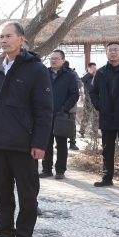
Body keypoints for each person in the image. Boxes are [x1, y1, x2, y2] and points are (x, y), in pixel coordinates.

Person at [0, 21, 52, 237]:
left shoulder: (36, 69)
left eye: (8, 36)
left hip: (24, 143)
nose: (4, 40)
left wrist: (39, 143)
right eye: (1, 36)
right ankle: (6, 234)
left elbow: (44, 110)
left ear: (21, 40)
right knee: (2, 193)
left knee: (27, 195)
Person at [89, 42, 119, 191]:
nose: (113, 52)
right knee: (107, 149)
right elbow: (93, 91)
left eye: (116, 49)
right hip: (106, 115)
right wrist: (99, 105)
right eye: (110, 50)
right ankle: (107, 177)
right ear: (106, 53)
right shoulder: (101, 72)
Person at [40, 50, 80, 179]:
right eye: (52, 58)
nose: (53, 60)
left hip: (61, 115)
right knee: (46, 143)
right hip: (46, 113)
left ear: (63, 60)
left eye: (56, 58)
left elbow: (75, 94)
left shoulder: (70, 75)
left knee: (61, 144)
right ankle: (46, 169)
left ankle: (60, 170)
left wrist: (64, 108)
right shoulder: (44, 73)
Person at [79, 63, 98, 137]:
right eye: (93, 68)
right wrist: (89, 73)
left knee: (96, 116)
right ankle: (82, 131)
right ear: (88, 68)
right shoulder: (86, 75)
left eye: (95, 68)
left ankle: (95, 132)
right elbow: (82, 80)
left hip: (96, 98)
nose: (94, 70)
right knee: (86, 116)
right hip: (88, 98)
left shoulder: (97, 76)